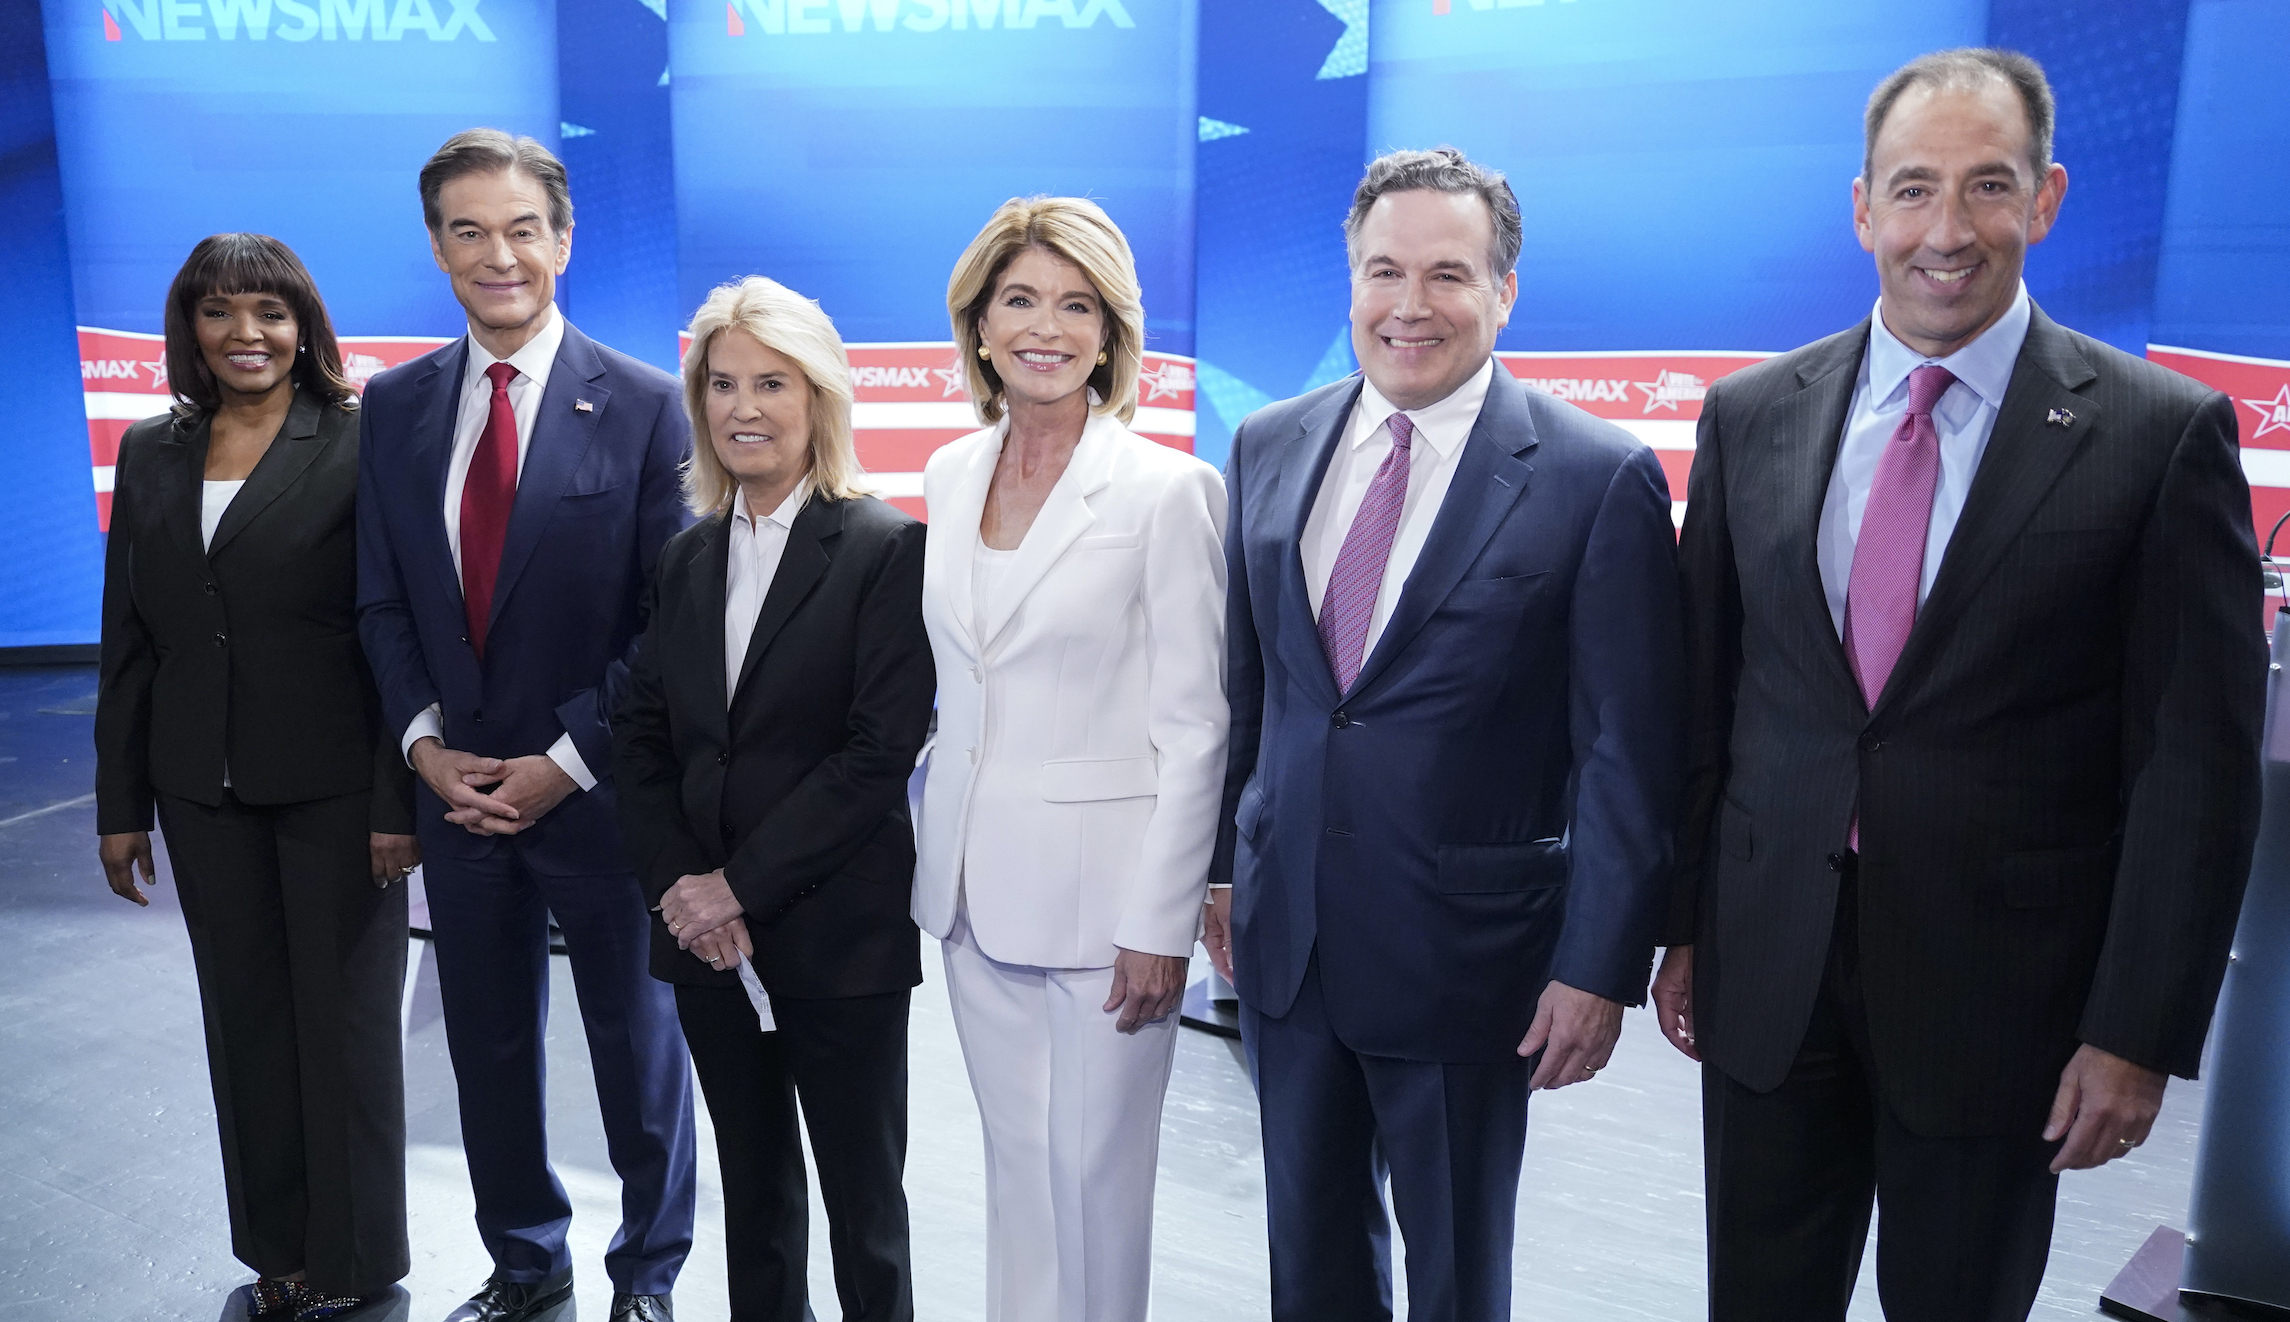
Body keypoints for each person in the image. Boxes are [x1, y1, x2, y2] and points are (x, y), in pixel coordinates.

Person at [1653, 48, 2264, 1322]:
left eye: (1986, 187)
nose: (1947, 230)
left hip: (2005, 1004)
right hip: (1772, 977)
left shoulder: (2158, 436)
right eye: (1913, 188)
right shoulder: (1751, 416)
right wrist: (1684, 928)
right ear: (1862, 207)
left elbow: (2191, 770)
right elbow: (1706, 701)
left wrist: (2138, 1027)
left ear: (2043, 200)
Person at [1203, 147, 1682, 1322]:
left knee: (1457, 1277)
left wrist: (1597, 964)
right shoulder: (1268, 442)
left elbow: (1629, 748)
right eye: (1383, 271)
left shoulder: (1593, 474)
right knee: (1307, 1264)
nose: (1409, 305)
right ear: (1350, 279)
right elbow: (1251, 685)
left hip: (1471, 959)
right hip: (1290, 942)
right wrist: (1222, 864)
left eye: (1448, 274)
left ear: (1504, 291)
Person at [355, 129, 695, 1322]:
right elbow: (382, 597)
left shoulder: (652, 407)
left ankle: (646, 1275)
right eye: (467, 230)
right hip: (456, 792)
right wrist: (423, 745)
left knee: (637, 1050)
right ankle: (525, 1259)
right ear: (438, 246)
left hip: (599, 794)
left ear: (561, 238)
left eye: (520, 228)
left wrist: (562, 761)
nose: (497, 254)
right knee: (486, 1048)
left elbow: (668, 624)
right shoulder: (391, 407)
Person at [910, 196, 1228, 1322]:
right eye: (1020, 300)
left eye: (1075, 304)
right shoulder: (950, 473)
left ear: (1110, 332)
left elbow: (1196, 725)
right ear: (980, 324)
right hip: (967, 892)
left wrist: (1162, 917)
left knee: (1093, 1183)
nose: (1045, 326)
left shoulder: (1166, 490)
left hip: (1106, 911)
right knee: (1016, 1174)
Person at [93, 233, 418, 1322]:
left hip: (337, 785)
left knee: (346, 1029)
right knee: (246, 1022)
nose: (248, 335)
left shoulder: (367, 443)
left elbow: (395, 634)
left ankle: (357, 1257)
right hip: (198, 787)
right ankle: (278, 1250)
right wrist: (119, 803)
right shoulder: (150, 451)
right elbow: (130, 637)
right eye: (222, 312)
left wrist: (395, 799)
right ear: (190, 326)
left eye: (270, 314)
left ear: (305, 328)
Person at [614, 276, 935, 1322]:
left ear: (820, 398)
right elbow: (646, 736)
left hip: (837, 940)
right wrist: (681, 887)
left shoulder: (886, 547)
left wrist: (736, 887)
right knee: (753, 1203)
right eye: (721, 383)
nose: (743, 407)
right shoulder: (685, 555)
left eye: (771, 382)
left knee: (864, 1213)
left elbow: (876, 751)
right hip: (705, 946)